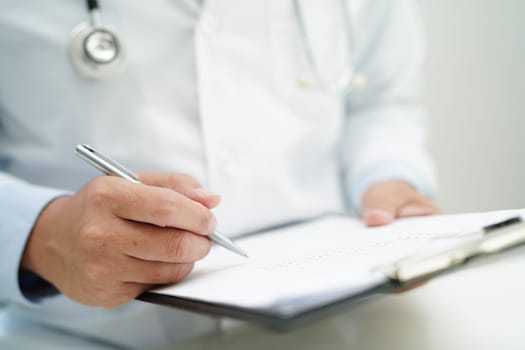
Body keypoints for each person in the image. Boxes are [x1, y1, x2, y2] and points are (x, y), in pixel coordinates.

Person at [0, 0, 439, 348]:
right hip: (87, 336)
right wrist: (43, 233)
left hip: (343, 323)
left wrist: (387, 174)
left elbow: (380, 99)